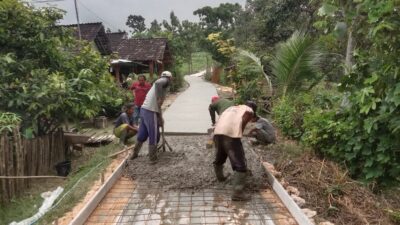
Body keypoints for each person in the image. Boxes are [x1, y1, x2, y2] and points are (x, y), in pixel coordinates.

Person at [213, 101, 258, 201]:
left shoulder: (231, 108)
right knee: (240, 165)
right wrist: (238, 136)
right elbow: (242, 123)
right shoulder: (249, 110)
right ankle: (237, 193)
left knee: (220, 157)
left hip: (217, 133)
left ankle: (220, 178)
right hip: (230, 135)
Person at [130, 71, 173, 163]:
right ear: (169, 78)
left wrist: (160, 118)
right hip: (150, 111)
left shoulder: (159, 87)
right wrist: (159, 98)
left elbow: (157, 106)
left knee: (142, 134)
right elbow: (157, 83)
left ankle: (134, 154)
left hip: (144, 110)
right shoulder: (164, 80)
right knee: (153, 134)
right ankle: (152, 158)